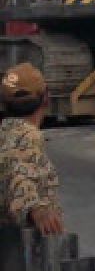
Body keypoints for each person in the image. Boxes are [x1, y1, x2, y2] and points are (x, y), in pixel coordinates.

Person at [0, 63, 64, 234]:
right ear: (46, 99)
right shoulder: (28, 135)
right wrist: (35, 209)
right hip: (24, 250)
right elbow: (20, 173)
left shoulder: (5, 133)